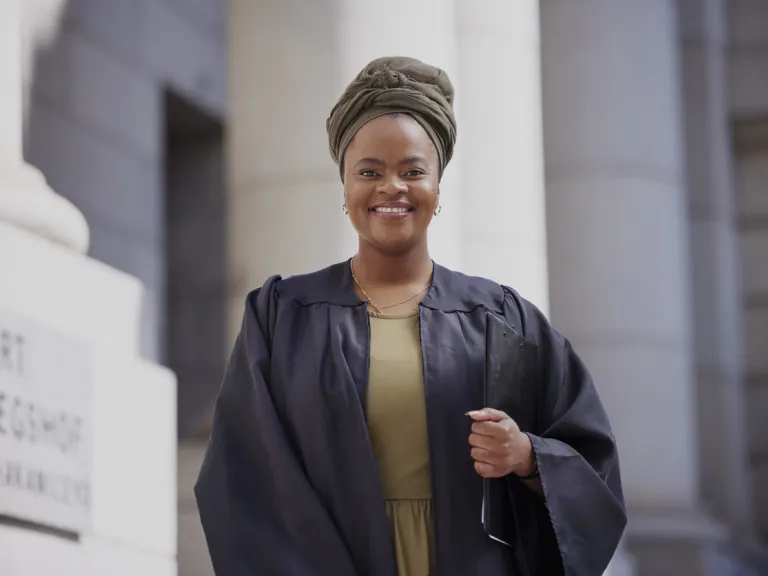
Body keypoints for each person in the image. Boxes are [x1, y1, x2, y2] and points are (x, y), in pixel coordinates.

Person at [195, 56, 627, 576]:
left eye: (413, 171)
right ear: (346, 186)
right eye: (369, 171)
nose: (391, 187)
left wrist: (528, 457)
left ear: (438, 187)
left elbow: (591, 461)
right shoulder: (282, 316)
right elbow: (245, 474)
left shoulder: (503, 319)